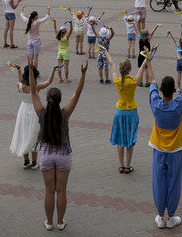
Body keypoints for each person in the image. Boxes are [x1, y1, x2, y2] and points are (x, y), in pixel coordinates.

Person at [31, 59, 89, 231]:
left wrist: (31, 71)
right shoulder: (65, 114)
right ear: (60, 100)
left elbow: (33, 91)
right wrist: (83, 74)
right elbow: (77, 94)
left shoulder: (41, 114)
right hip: (64, 154)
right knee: (61, 191)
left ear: (48, 100)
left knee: (49, 191)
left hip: (47, 154)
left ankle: (49, 222)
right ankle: (60, 221)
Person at [148, 46, 182, 229]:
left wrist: (148, 59)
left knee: (158, 181)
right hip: (176, 150)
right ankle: (171, 216)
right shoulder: (178, 105)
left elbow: (152, 79)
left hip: (158, 149)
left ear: (162, 89)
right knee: (174, 182)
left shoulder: (156, 104)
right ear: (174, 90)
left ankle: (160, 217)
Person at [100, 44, 149, 174]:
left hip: (120, 112)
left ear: (121, 70)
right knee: (130, 139)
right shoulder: (133, 81)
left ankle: (121, 165)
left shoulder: (117, 80)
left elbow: (111, 64)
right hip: (131, 112)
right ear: (130, 69)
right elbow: (142, 68)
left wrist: (105, 51)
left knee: (120, 139)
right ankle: (128, 166)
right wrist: (148, 56)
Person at [9, 62, 56, 170]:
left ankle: (26, 161)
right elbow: (49, 81)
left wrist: (18, 69)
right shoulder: (36, 87)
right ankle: (34, 162)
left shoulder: (19, 85)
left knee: (24, 133)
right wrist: (53, 69)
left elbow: (21, 80)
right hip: (34, 110)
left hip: (23, 110)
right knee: (34, 133)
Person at [20, 4, 51, 68]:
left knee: (31, 57)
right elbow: (47, 17)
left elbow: (21, 15)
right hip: (36, 41)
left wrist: (22, 8)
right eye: (37, 16)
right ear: (36, 16)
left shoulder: (27, 21)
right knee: (35, 58)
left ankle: (30, 71)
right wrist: (48, 9)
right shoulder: (37, 22)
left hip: (29, 41)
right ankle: (35, 72)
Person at [51, 19, 73, 83]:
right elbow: (71, 30)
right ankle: (66, 79)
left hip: (59, 52)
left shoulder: (58, 35)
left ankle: (60, 79)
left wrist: (54, 22)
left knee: (59, 66)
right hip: (65, 52)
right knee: (66, 67)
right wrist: (71, 23)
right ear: (65, 31)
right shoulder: (67, 36)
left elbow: (55, 28)